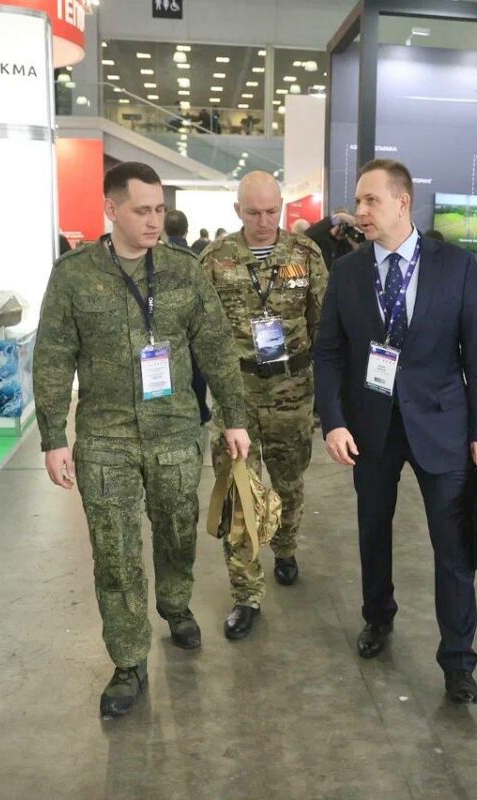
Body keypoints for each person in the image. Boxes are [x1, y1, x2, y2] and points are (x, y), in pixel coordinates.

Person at [33, 162, 250, 719]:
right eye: (141, 210)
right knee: (115, 552)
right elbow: (53, 357)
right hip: (105, 437)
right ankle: (129, 660)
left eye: (159, 210)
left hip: (175, 429)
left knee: (177, 531)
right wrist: (54, 436)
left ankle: (175, 605)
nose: (154, 221)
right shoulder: (74, 275)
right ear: (111, 209)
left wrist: (235, 416)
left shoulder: (183, 270)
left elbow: (215, 345)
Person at [314, 159, 477, 704]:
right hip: (369, 427)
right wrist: (334, 421)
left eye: (370, 200)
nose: (360, 211)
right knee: (373, 529)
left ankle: (458, 660)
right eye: (358, 201)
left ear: (402, 202)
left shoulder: (455, 266)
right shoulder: (347, 271)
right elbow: (329, 352)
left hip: (441, 424)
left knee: (453, 546)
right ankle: (378, 616)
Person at [200, 170, 328, 639]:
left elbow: (322, 323)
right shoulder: (215, 260)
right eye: (253, 212)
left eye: (272, 211)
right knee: (240, 492)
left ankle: (286, 546)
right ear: (238, 210)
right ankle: (246, 594)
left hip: (292, 390)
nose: (263, 221)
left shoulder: (304, 254)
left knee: (289, 482)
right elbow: (202, 332)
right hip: (235, 394)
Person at [164, 209, 213, 424]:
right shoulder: (197, 258)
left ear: (165, 230)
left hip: (164, 328)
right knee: (197, 370)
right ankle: (200, 410)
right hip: (193, 326)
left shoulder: (154, 258)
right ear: (186, 230)